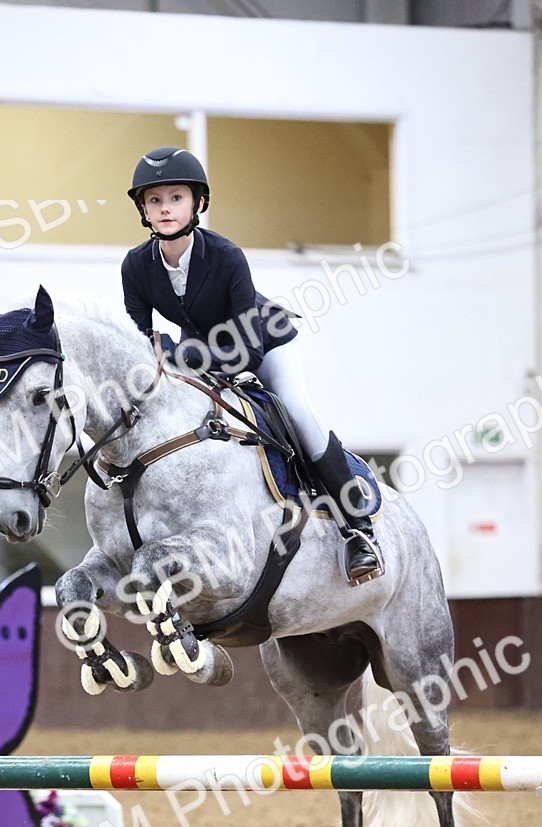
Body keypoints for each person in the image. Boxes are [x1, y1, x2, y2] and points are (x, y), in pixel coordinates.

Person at [121, 146, 382, 584]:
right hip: (200, 349)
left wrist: (177, 354)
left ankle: (358, 530)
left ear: (198, 203)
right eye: (155, 200)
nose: (165, 209)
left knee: (297, 413)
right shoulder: (135, 266)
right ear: (143, 210)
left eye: (176, 198)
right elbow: (138, 343)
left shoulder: (226, 256)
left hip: (264, 340)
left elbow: (248, 353)